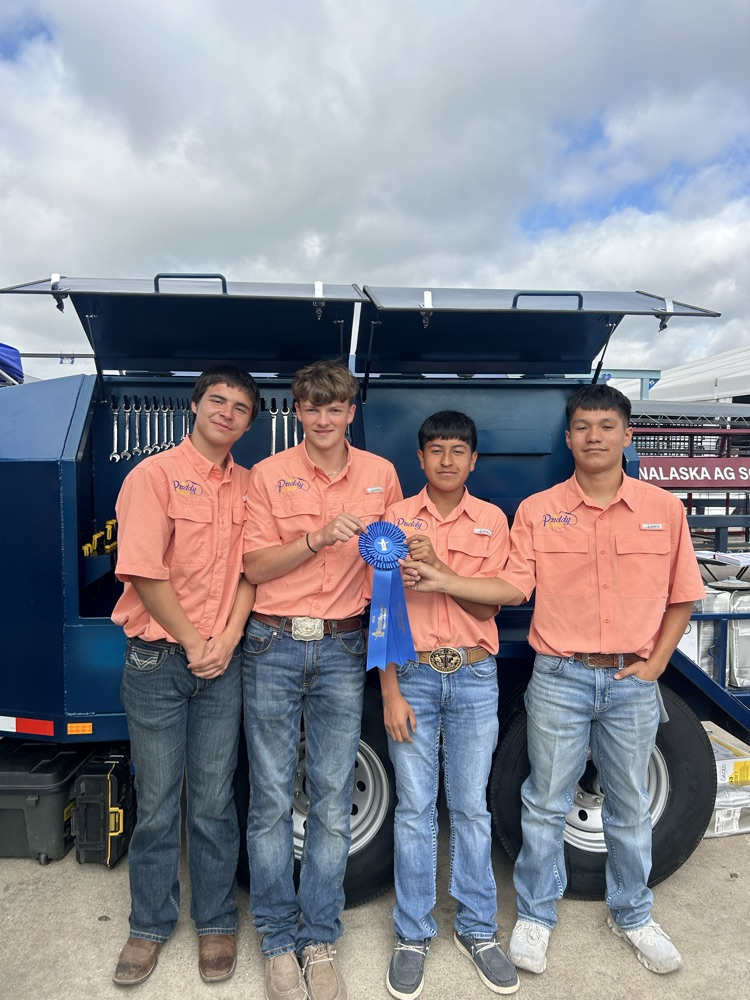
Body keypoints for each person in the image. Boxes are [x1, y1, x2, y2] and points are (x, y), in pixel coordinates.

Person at [400, 384, 705, 978]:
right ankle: (537, 915)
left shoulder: (663, 509)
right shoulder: (538, 511)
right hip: (559, 676)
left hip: (631, 679)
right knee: (543, 803)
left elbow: (683, 594)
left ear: (627, 435)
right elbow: (511, 589)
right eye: (583, 427)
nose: (594, 437)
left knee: (630, 805)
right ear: (567, 439)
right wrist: (441, 578)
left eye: (606, 427)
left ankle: (633, 913)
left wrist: (660, 661)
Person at [242, 359, 402, 1000]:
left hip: (342, 647)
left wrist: (407, 555)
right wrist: (314, 538)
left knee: (333, 802)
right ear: (298, 413)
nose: (324, 418)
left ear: (350, 413)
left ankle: (319, 939)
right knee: (272, 799)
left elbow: (388, 569)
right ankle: (279, 943)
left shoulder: (380, 475)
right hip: (272, 641)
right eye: (312, 408)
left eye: (334, 408)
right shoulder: (268, 475)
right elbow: (252, 563)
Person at [111, 365, 260, 986]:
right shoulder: (153, 477)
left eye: (241, 407)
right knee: (157, 803)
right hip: (157, 663)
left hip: (221, 663)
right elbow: (144, 570)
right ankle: (148, 926)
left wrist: (224, 640)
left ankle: (217, 921)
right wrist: (196, 640)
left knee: (215, 802)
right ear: (195, 405)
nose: (227, 412)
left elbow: (254, 570)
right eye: (217, 400)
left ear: (252, 422)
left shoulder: (252, 486)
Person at [379, 411, 519, 999]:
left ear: (473, 461)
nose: (446, 460)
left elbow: (490, 609)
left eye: (457, 451)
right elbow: (381, 611)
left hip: (473, 675)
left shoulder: (491, 521)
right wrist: (388, 691)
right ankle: (412, 933)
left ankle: (478, 929)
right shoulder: (393, 521)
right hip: (411, 675)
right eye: (435, 450)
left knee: (470, 807)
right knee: (414, 809)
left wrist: (441, 573)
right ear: (420, 458)